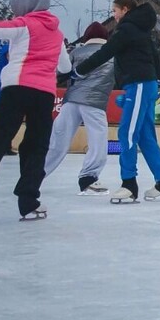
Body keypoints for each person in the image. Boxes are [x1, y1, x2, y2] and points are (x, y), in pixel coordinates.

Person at [0, 0, 71, 220]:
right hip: (45, 94)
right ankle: (29, 201)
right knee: (36, 146)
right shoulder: (57, 34)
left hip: (17, 88)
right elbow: (65, 67)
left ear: (27, 7)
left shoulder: (25, 24)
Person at [73, 0, 160, 203]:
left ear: (125, 9)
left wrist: (80, 71)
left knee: (127, 133)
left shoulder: (127, 29)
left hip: (138, 84)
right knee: (145, 136)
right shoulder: (141, 29)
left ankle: (129, 183)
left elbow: (106, 52)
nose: (114, 15)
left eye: (115, 10)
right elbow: (154, 56)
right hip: (145, 85)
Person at [45, 22, 114, 194]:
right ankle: (88, 177)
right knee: (97, 139)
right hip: (95, 102)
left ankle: (36, 173)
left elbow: (61, 72)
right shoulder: (112, 54)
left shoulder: (76, 52)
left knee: (58, 138)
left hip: (71, 100)